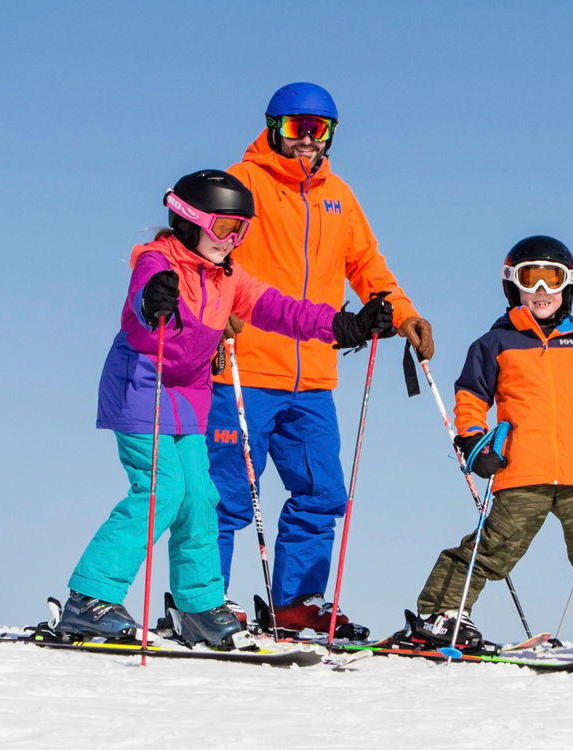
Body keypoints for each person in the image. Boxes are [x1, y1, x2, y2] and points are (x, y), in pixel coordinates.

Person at [44, 170, 393, 650]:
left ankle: (199, 607)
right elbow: (141, 306)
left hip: (189, 396)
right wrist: (153, 300)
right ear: (190, 221)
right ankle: (90, 598)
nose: (233, 240)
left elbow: (281, 309)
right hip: (144, 386)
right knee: (162, 490)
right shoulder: (157, 261)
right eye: (225, 228)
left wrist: (341, 325)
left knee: (201, 498)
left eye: (242, 230)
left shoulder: (227, 275)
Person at [213, 82, 435, 635]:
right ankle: (202, 602)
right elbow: (210, 255)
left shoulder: (340, 196)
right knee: (228, 496)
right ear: (272, 128)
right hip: (243, 369)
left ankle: (296, 605)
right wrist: (215, 316)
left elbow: (368, 267)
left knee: (322, 494)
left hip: (313, 378)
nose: (308, 141)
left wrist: (403, 315)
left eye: (319, 130)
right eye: (296, 129)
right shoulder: (243, 184)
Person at [401, 236, 573, 661]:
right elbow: (470, 398)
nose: (541, 290)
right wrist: (472, 440)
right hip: (522, 469)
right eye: (529, 278)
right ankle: (443, 612)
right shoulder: (495, 344)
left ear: (567, 286)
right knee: (494, 547)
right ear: (511, 284)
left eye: (551, 279)